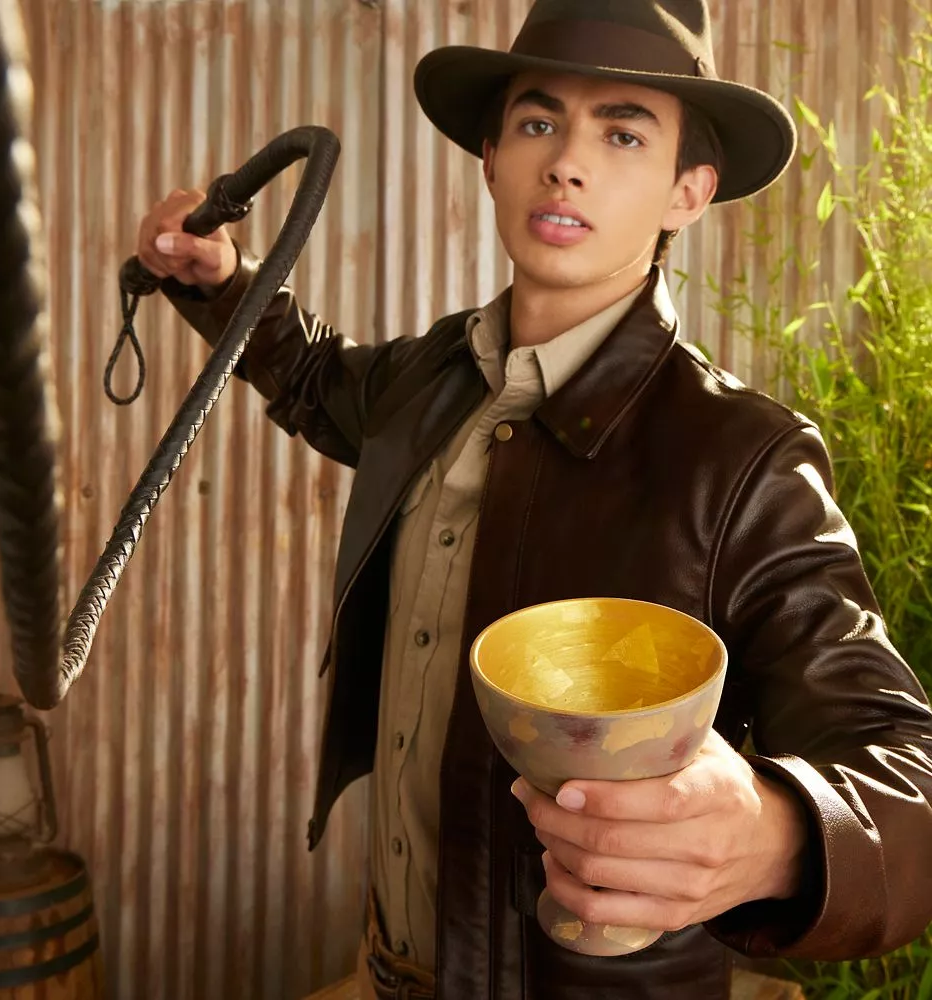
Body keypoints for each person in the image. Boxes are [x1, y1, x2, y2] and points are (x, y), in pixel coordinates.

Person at [134, 2, 932, 997]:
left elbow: (906, 770)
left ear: (687, 191)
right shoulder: (431, 378)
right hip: (388, 969)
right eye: (538, 122)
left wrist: (772, 838)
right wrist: (221, 281)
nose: (566, 164)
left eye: (623, 135)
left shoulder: (743, 459)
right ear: (491, 158)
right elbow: (315, 378)